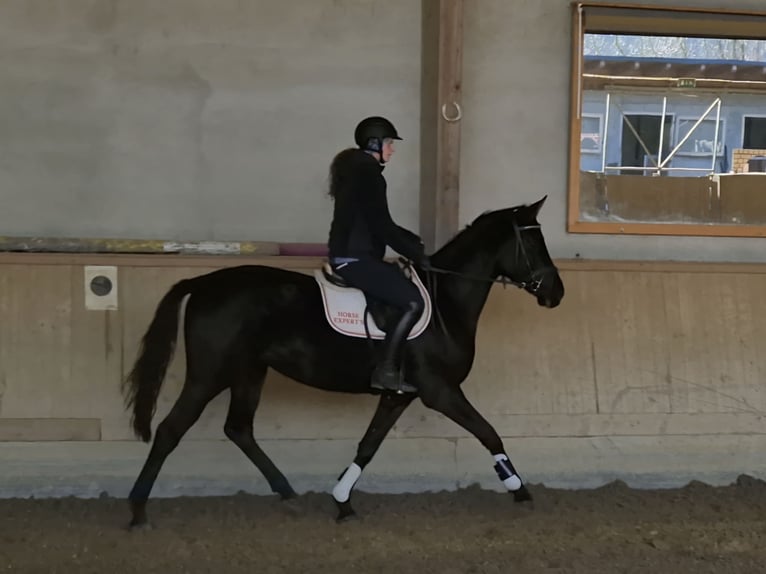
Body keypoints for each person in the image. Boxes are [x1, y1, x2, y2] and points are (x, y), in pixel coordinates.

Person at [326, 116, 429, 394]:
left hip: (354, 255)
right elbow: (382, 226)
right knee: (412, 302)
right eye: (389, 143)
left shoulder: (358, 172)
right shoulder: (368, 175)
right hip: (355, 259)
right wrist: (417, 255)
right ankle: (385, 371)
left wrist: (410, 240)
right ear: (375, 144)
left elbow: (380, 222)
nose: (392, 149)